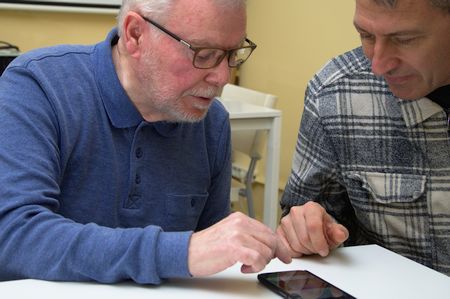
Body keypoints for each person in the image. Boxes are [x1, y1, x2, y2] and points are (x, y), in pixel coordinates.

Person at [0, 0, 291, 284]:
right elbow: (14, 235)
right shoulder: (38, 86)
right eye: (204, 54)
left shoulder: (211, 124)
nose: (223, 77)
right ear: (135, 35)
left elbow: (212, 260)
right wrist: (180, 252)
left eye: (233, 54)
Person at [278, 0, 450, 275]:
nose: (379, 65)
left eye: (404, 39)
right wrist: (308, 229)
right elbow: (304, 219)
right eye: (366, 35)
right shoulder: (334, 94)